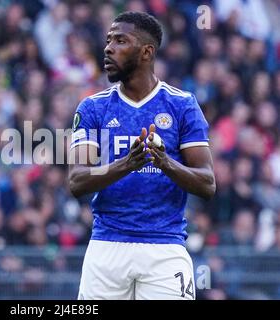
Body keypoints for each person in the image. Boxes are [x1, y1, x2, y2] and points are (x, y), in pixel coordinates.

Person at [68, 12, 215, 300]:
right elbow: (77, 180)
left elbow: (207, 184)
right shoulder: (92, 108)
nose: (109, 47)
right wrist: (127, 164)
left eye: (121, 40)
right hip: (107, 246)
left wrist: (165, 162)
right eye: (109, 40)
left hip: (165, 248)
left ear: (147, 52)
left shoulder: (182, 105)